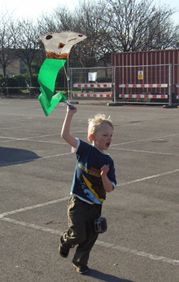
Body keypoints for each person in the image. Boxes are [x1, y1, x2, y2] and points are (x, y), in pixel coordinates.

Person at [59, 103, 117, 275]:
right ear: (92, 136)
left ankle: (80, 262)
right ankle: (65, 241)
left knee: (91, 237)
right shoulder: (84, 150)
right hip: (78, 202)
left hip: (95, 206)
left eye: (111, 135)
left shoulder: (108, 162)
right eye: (105, 134)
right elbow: (65, 135)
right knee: (78, 234)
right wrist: (70, 114)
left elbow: (109, 188)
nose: (109, 138)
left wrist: (104, 176)